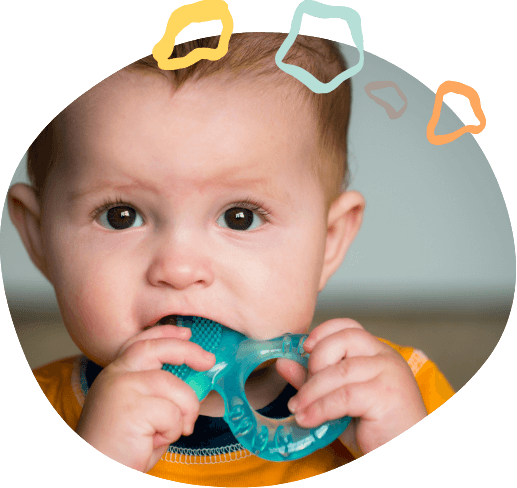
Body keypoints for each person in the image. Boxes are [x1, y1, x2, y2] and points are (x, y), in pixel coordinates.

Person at [7, 32, 454, 485]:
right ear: (39, 238)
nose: (180, 269)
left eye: (240, 217)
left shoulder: (398, 396)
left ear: (330, 240)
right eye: (120, 216)